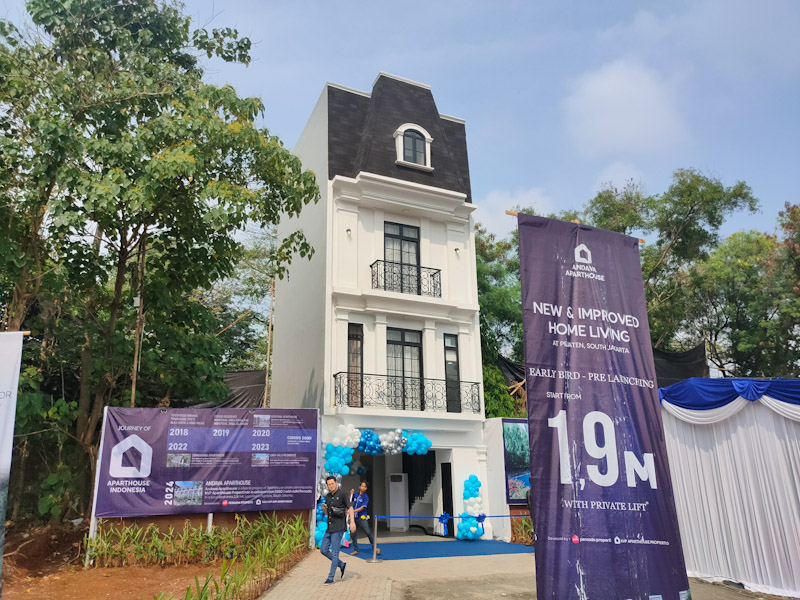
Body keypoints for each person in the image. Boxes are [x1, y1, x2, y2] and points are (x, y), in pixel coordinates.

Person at [321, 475, 355, 584]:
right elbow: (328, 514)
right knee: (323, 550)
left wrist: (352, 522)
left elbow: (350, 507)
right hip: (330, 527)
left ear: (336, 483)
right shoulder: (328, 496)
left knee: (335, 553)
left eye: (332, 484)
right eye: (329, 484)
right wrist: (324, 509)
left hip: (339, 527)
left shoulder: (342, 494)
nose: (331, 486)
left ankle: (330, 577)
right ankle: (341, 564)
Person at [349, 481, 380, 556]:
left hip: (362, 517)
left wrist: (353, 511)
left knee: (368, 532)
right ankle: (356, 550)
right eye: (362, 486)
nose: (363, 488)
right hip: (354, 517)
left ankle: (375, 547)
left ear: (366, 488)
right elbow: (350, 500)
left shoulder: (366, 497)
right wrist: (351, 494)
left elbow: (362, 508)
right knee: (353, 533)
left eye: (365, 487)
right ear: (359, 486)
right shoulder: (356, 494)